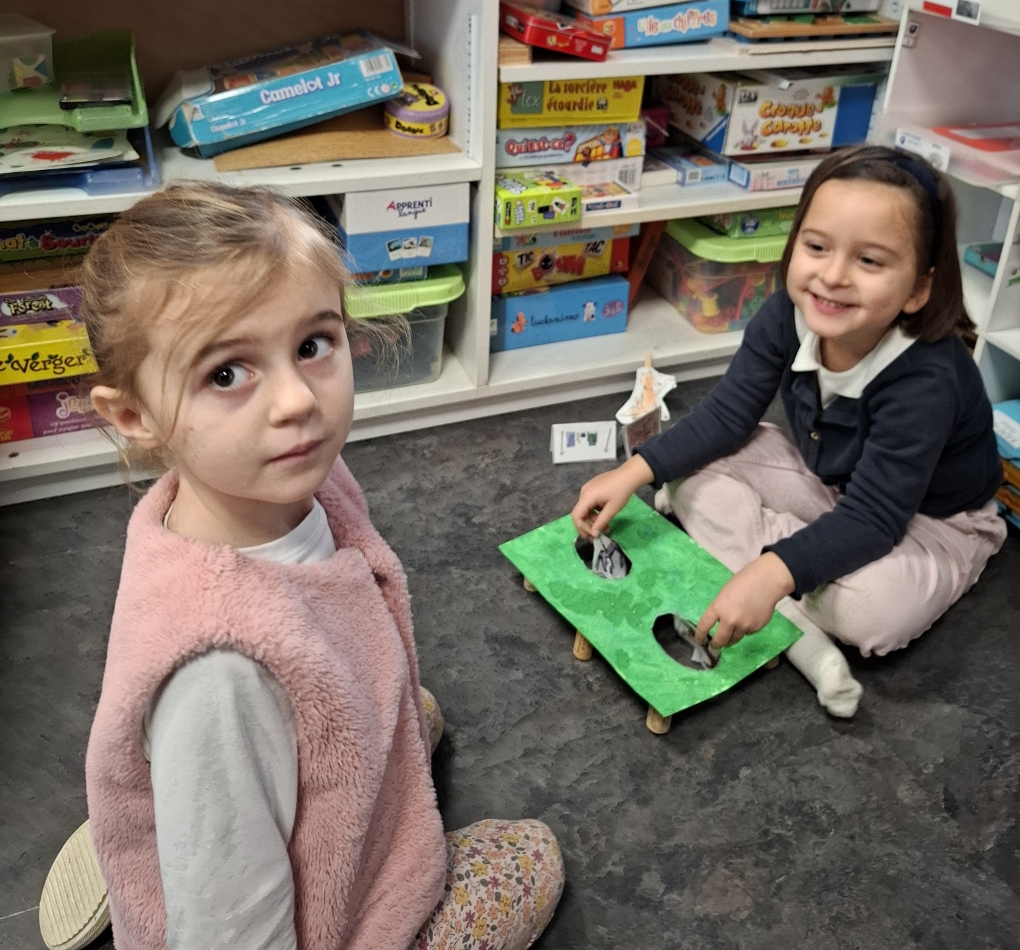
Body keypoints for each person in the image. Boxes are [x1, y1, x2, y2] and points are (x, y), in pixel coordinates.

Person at [63, 184, 563, 950]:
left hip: (261, 738)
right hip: (332, 923)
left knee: (410, 711)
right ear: (135, 417)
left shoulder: (280, 481)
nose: (297, 400)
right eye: (226, 374)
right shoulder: (219, 676)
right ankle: (192, 821)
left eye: (311, 345)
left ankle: (200, 810)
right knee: (532, 858)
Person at [572, 146, 1006, 718]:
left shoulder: (926, 377)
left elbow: (878, 517)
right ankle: (792, 570)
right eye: (817, 246)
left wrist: (772, 572)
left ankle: (783, 584)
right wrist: (635, 470)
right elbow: (727, 414)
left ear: (919, 289)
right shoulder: (787, 313)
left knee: (871, 612)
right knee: (684, 473)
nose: (833, 275)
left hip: (932, 522)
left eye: (869, 260)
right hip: (831, 481)